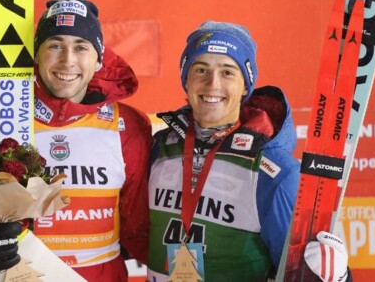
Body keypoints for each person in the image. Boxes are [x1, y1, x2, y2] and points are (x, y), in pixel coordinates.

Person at [0, 0, 152, 281]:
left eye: (81, 47)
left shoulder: (129, 129)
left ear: (99, 59)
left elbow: (142, 235)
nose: (67, 60)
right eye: (55, 45)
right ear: (36, 54)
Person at [145, 21, 350, 282]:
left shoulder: (274, 171)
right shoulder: (159, 147)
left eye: (228, 72)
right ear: (186, 80)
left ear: (246, 86)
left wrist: (337, 275)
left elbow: (301, 275)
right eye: (200, 70)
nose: (212, 83)